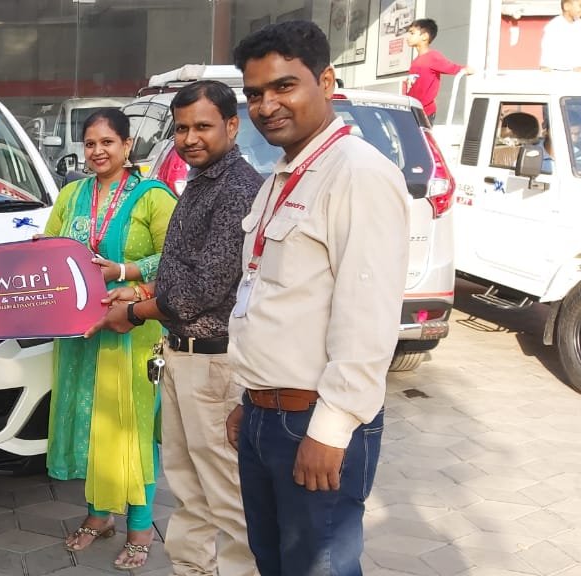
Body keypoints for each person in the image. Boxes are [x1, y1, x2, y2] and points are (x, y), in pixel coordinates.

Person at [226, 21, 409, 576]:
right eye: (255, 94)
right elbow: (271, 299)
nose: (267, 106)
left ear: (326, 81)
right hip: (267, 415)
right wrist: (250, 399)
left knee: (318, 568)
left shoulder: (358, 174)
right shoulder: (282, 176)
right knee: (274, 563)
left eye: (284, 86)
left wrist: (331, 430)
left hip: (313, 421)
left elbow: (368, 316)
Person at [87, 80, 263, 576]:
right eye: (182, 128)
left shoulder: (237, 189)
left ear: (231, 125)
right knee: (188, 489)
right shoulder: (199, 181)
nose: (189, 139)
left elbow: (203, 287)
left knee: (227, 496)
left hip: (215, 361)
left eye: (202, 126)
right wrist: (139, 290)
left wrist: (134, 313)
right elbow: (181, 269)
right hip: (182, 354)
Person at [42, 108, 176, 570]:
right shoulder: (72, 195)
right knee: (91, 423)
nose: (97, 151)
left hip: (133, 328)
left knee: (131, 428)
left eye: (107, 142)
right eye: (90, 143)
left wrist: (127, 274)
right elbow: (50, 251)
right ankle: (99, 516)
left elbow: (176, 259)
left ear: (127, 145)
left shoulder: (153, 196)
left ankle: (140, 528)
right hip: (80, 332)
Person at [404, 19, 474, 122]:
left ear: (425, 36)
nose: (408, 37)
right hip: (412, 110)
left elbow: (451, 67)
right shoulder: (415, 61)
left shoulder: (433, 57)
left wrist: (465, 70)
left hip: (424, 112)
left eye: (412, 33)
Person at [540, 0, 581, 72]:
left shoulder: (579, 24)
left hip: (576, 69)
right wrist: (545, 65)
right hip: (556, 69)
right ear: (567, 6)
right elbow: (547, 46)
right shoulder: (554, 25)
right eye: (580, 6)